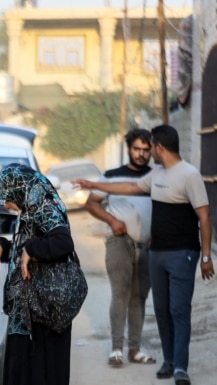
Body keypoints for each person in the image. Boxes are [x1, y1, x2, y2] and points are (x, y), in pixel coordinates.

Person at [74, 124, 214, 385]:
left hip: (183, 253)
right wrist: (92, 184)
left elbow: (205, 216)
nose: (147, 154)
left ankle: (181, 367)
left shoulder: (189, 175)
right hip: (157, 253)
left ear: (159, 148)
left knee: (178, 310)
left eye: (150, 148)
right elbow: (128, 187)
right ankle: (169, 362)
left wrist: (206, 256)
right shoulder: (157, 174)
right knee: (161, 310)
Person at [0, 164, 75, 385]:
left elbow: (61, 242)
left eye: (7, 195)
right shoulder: (31, 211)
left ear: (21, 190)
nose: (4, 202)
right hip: (30, 316)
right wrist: (4, 246)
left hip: (44, 316)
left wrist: (31, 251)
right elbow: (29, 245)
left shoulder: (46, 208)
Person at [84, 128, 155, 367]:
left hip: (147, 245)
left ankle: (134, 348)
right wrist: (112, 221)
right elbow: (91, 204)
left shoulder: (156, 177)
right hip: (119, 242)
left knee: (139, 297)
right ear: (128, 149)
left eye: (146, 150)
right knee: (120, 293)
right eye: (137, 149)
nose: (142, 154)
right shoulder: (111, 176)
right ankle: (116, 349)